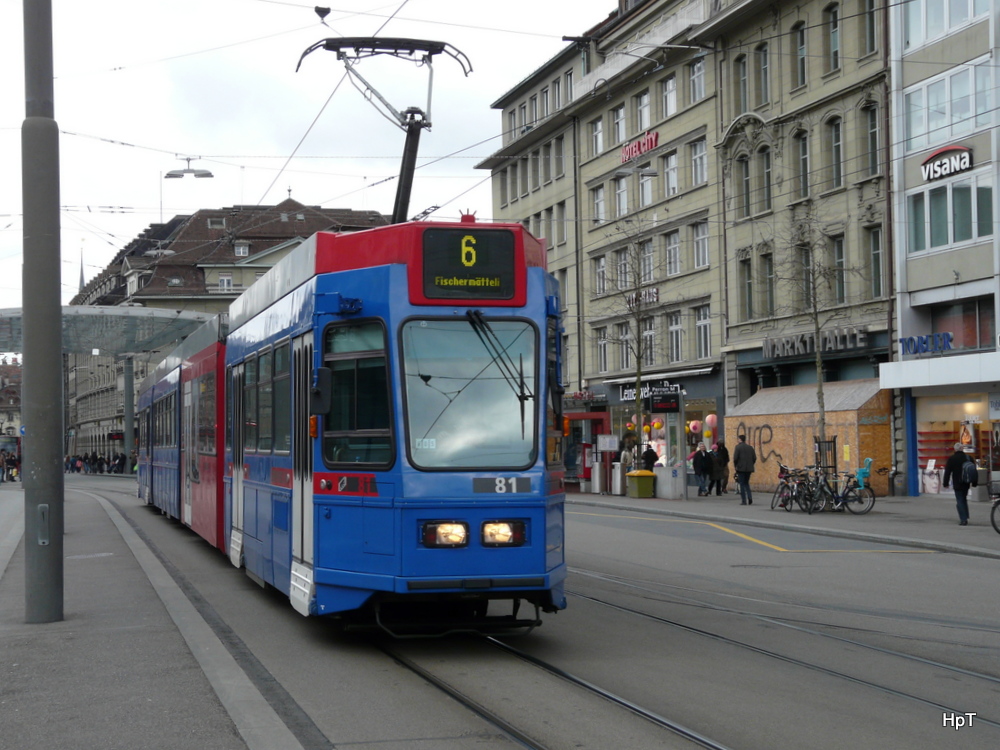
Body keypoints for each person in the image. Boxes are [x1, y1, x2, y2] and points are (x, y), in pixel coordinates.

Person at [943, 443, 976, 525]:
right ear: (962, 449)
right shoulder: (968, 458)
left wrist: (945, 483)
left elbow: (947, 472)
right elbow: (973, 471)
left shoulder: (952, 459)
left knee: (960, 500)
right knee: (964, 499)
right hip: (966, 482)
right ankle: (966, 516)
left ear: (955, 449)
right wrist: (974, 482)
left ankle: (963, 519)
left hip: (957, 482)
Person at [733, 434, 757, 505]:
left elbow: (735, 458)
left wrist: (736, 466)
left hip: (741, 468)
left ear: (740, 439)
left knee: (742, 484)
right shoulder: (750, 447)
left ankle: (744, 500)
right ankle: (750, 497)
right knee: (746, 483)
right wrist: (751, 464)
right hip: (749, 468)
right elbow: (754, 458)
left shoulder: (738, 447)